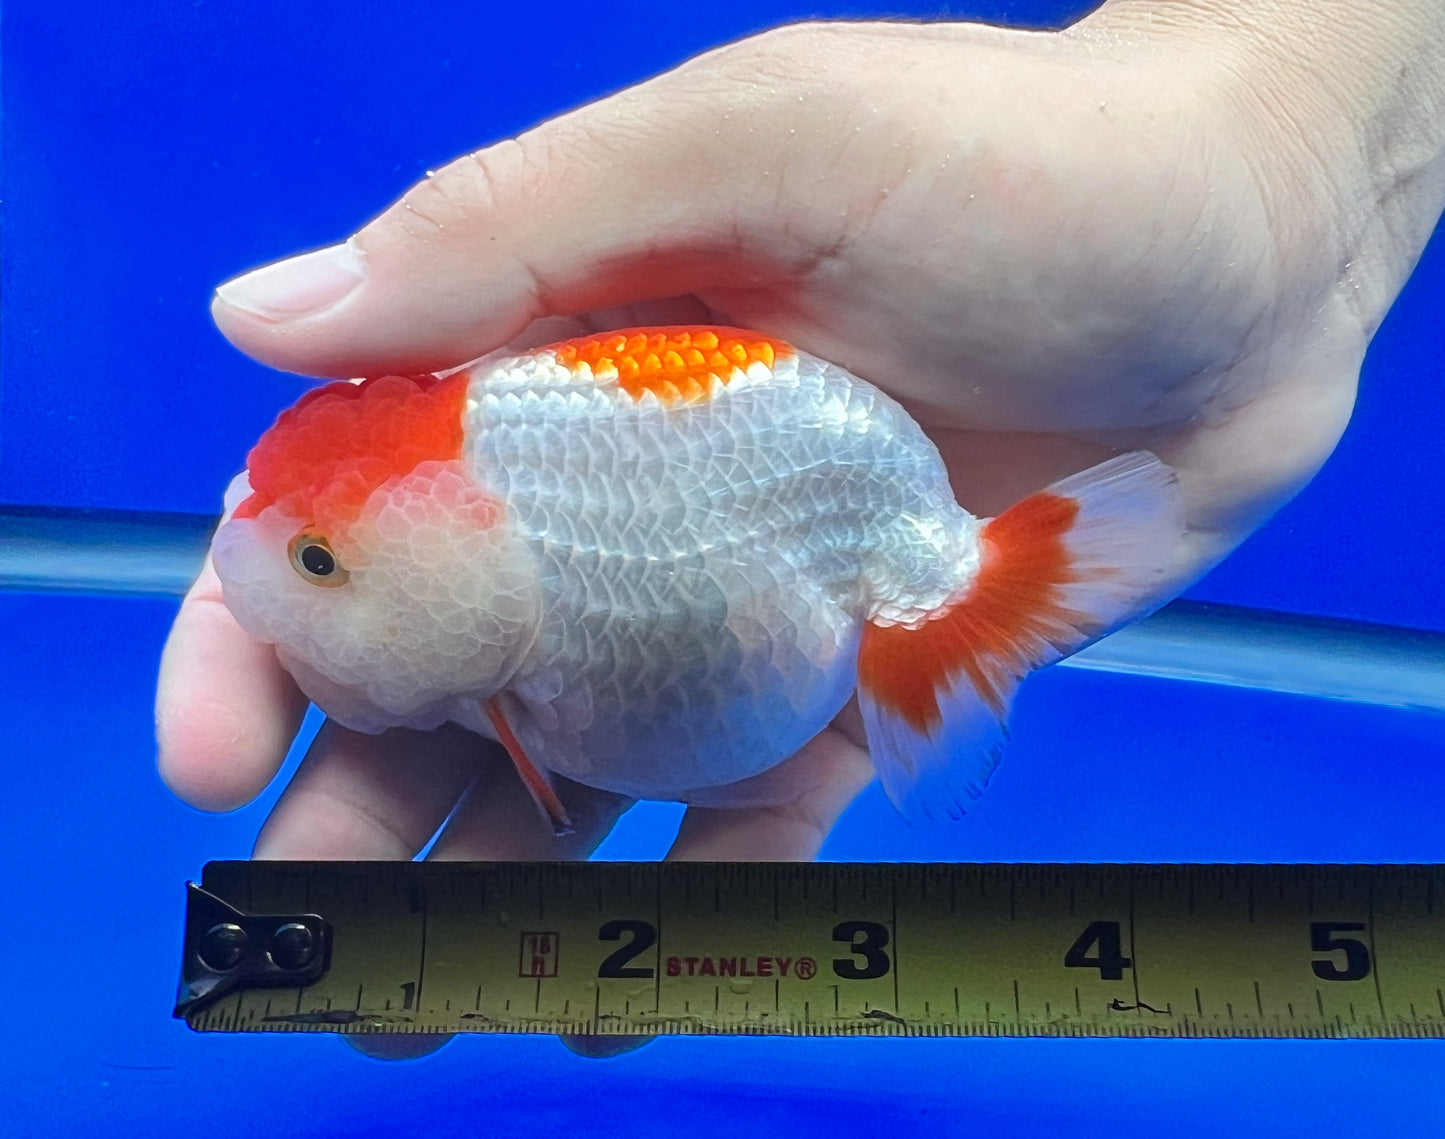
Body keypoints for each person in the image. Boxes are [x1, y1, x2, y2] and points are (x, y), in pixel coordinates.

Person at [155, 1, 1445, 1056]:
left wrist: (1281, 144)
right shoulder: (506, 476)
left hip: (862, 487)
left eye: (323, 561)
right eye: (312, 556)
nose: (284, 573)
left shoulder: (555, 458)